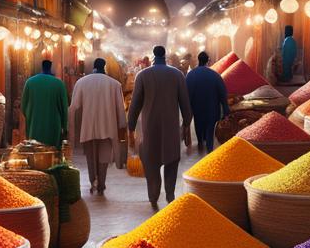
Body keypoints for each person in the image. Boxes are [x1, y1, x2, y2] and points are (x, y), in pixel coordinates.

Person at [128, 45, 191, 209]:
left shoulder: (142, 75)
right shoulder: (177, 75)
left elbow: (134, 105)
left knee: (151, 162)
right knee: (171, 161)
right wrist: (186, 125)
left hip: (150, 128)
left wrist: (130, 127)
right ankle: (170, 195)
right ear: (166, 55)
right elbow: (185, 103)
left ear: (153, 56)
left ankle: (153, 196)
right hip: (171, 128)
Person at [68, 57, 126, 194]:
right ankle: (101, 184)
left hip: (88, 126)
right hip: (108, 126)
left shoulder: (81, 82)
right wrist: (122, 126)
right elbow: (120, 109)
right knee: (104, 157)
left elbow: (73, 107)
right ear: (104, 67)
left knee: (90, 156)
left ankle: (93, 181)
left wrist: (71, 129)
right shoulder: (114, 84)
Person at [185, 51, 229, 156]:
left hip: (197, 109)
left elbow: (186, 95)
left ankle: (200, 144)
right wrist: (226, 110)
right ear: (208, 61)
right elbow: (223, 94)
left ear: (198, 60)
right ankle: (209, 151)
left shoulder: (191, 75)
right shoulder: (215, 75)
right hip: (212, 109)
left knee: (199, 126)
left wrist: (186, 112)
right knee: (210, 130)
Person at [20, 59, 68, 148]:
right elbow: (64, 108)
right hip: (53, 128)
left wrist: (31, 117)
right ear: (51, 67)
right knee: (52, 155)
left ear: (41, 67)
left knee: (35, 152)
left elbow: (23, 106)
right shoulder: (59, 84)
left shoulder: (30, 82)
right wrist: (65, 127)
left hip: (34, 127)